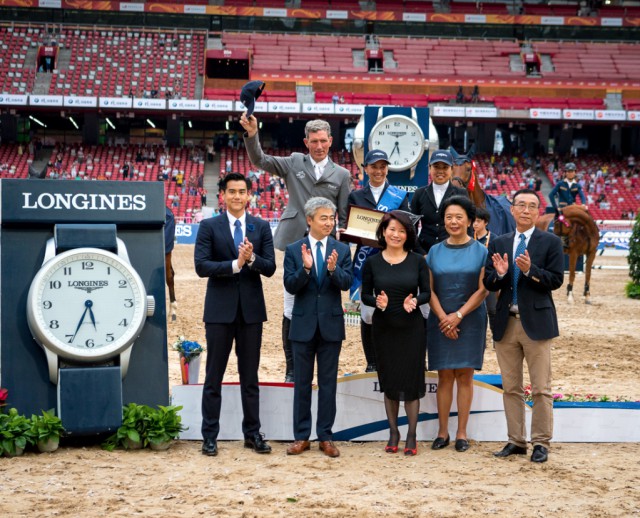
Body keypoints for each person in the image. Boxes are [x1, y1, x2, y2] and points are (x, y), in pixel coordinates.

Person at [241, 114, 351, 383]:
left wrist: (344, 247)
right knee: (291, 303)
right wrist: (252, 135)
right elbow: (260, 160)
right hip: (293, 241)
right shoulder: (293, 162)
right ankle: (292, 367)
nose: (319, 146)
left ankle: (322, 359)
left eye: (323, 141)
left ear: (331, 141)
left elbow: (345, 214)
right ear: (306, 142)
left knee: (322, 298)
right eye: (314, 141)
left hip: (326, 244)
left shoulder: (342, 174)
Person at [194, 172, 277, 457]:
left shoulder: (261, 226)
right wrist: (234, 264)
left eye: (242, 191)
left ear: (250, 194)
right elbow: (202, 266)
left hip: (251, 313)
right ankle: (209, 436)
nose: (237, 196)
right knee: (213, 376)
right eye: (232, 191)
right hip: (219, 312)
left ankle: (252, 433)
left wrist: (251, 260)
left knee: (249, 377)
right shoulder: (209, 226)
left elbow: (270, 268)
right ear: (223, 195)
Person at [484, 188, 564, 463]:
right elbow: (488, 283)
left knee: (541, 387)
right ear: (513, 210)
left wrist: (530, 271)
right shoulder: (499, 242)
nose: (526, 210)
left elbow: (555, 281)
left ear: (538, 211)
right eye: (521, 205)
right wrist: (501, 275)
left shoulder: (550, 242)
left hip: (537, 323)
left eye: (532, 205)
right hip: (506, 323)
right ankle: (516, 441)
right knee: (511, 387)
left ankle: (541, 442)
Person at [283, 197, 353, 458]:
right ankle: (301, 436)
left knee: (328, 384)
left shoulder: (342, 250)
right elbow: (291, 285)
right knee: (301, 383)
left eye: (332, 218)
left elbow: (346, 284)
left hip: (331, 326)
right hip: (302, 326)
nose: (329, 222)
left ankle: (325, 436)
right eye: (323, 218)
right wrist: (305, 269)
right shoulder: (294, 250)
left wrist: (334, 271)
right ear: (309, 220)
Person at [361, 211, 430, 456]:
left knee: (411, 384)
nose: (396, 234)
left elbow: (427, 293)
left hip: (412, 329)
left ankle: (411, 435)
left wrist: (415, 300)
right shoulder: (372, 262)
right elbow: (364, 295)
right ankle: (393, 432)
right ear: (383, 231)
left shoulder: (418, 260)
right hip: (383, 328)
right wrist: (377, 301)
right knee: (389, 383)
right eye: (392, 229)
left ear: (408, 235)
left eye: (402, 231)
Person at [426, 195, 488, 453]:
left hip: (470, 320)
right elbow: (428, 290)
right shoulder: (434, 251)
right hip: (440, 320)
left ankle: (462, 433)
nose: (453, 221)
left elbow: (483, 289)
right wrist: (444, 318)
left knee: (465, 376)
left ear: (470, 221)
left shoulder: (482, 251)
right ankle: (442, 432)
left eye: (459, 217)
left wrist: (458, 316)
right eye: (449, 217)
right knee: (444, 377)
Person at [347, 149, 410, 373]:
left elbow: (407, 227)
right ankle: (371, 360)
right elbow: (351, 228)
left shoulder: (399, 196)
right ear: (365, 169)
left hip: (393, 258)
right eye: (374, 166)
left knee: (392, 309)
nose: (378, 171)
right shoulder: (355, 196)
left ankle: (392, 356)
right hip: (366, 261)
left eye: (383, 166)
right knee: (368, 313)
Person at [410, 150, 468, 257]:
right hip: (425, 252)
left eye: (445, 167)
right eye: (436, 167)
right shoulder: (419, 193)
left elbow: (468, 226)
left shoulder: (461, 193)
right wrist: (421, 253)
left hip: (454, 252)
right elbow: (411, 226)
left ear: (451, 169)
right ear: (430, 168)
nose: (440, 171)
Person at [473, 206, 497, 336]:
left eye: (478, 221)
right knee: (475, 309)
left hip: (489, 278)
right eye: (473, 221)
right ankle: (478, 336)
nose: (475, 224)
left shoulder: (495, 239)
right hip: (473, 278)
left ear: (485, 222)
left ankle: (496, 336)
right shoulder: (469, 238)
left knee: (492, 309)